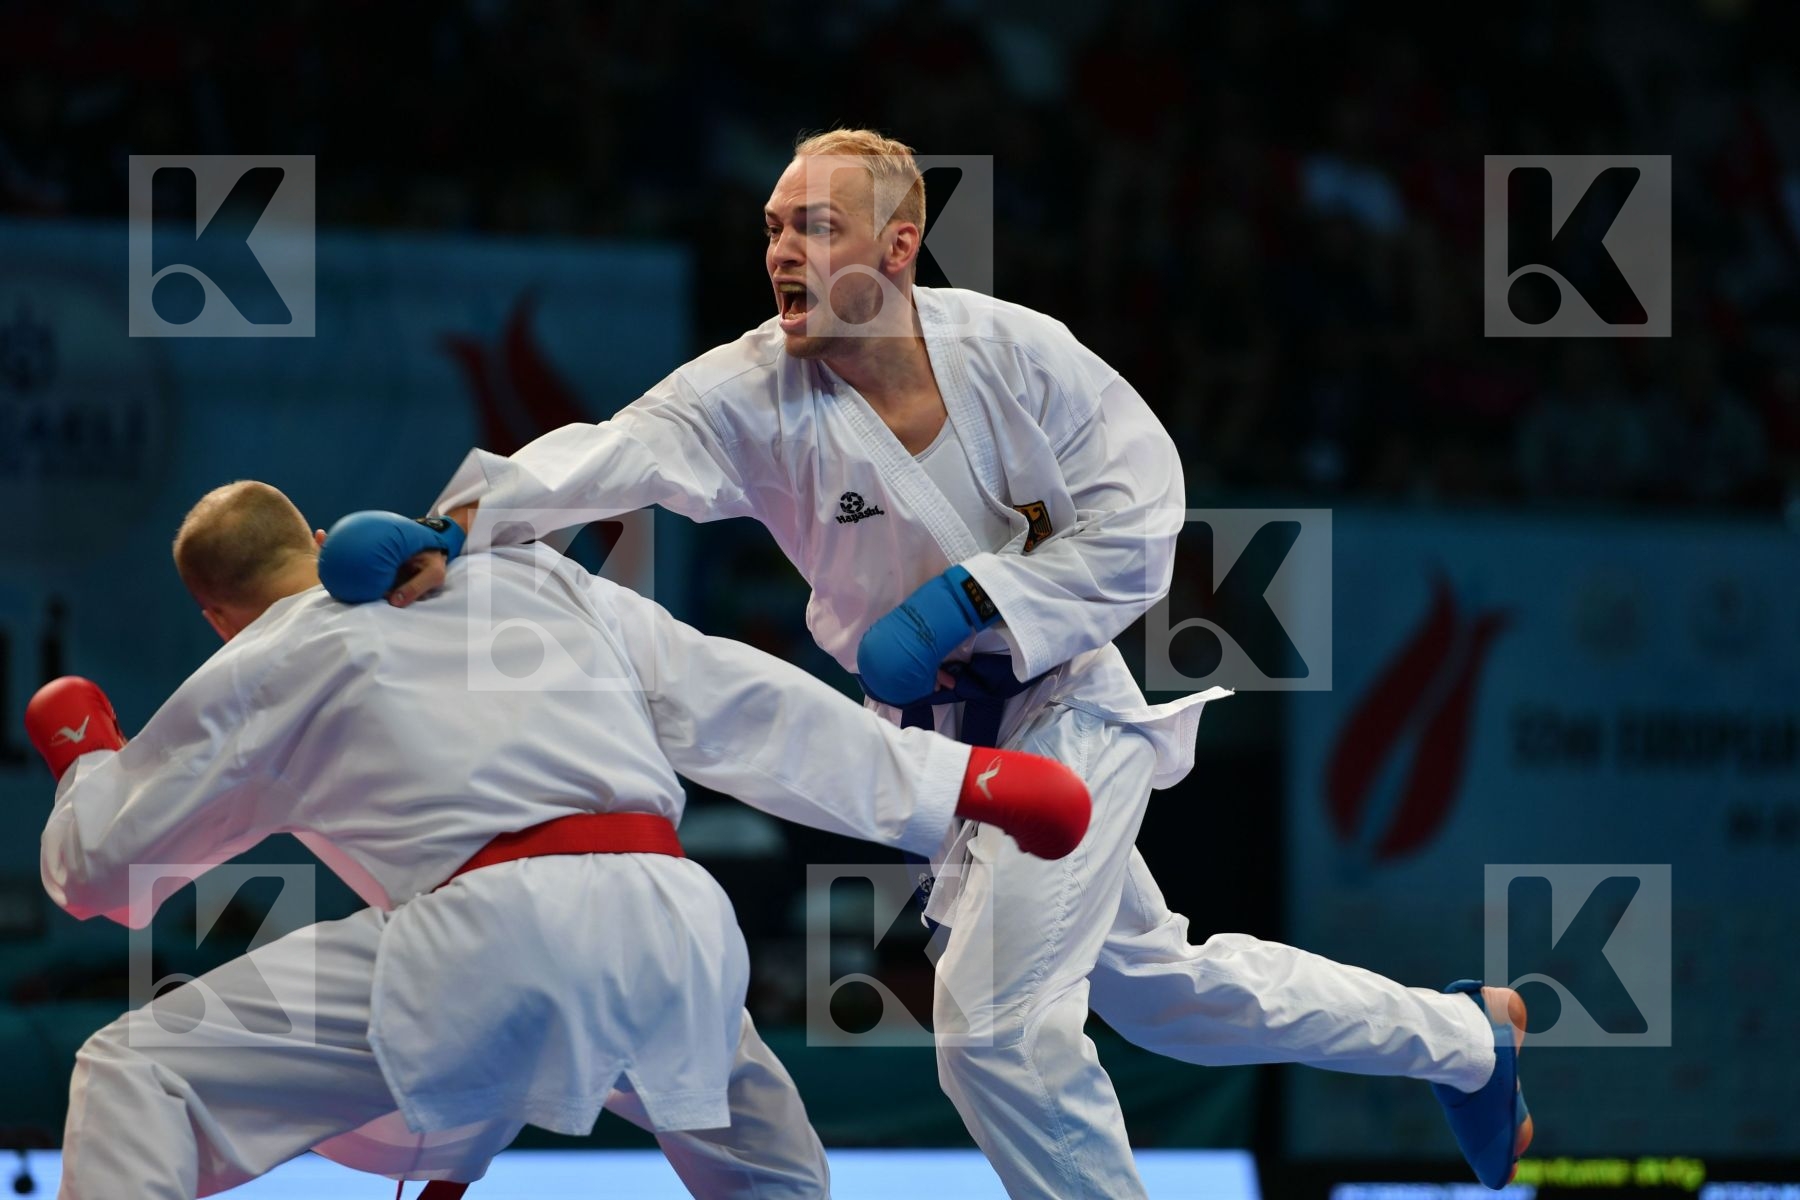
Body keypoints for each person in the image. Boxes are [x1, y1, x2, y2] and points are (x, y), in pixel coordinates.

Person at [325, 129, 1533, 1194]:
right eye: (772, 227)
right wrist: (455, 528)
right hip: (944, 754)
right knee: (1166, 993)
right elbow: (609, 453)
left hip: (1067, 709)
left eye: (814, 225)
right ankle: (1466, 1040)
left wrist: (974, 599)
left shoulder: (1019, 355)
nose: (780, 251)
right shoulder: (749, 390)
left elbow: (1145, 518)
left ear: (899, 246)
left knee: (994, 1033)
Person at [25, 480, 1091, 1200]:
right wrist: (956, 781)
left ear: (217, 616)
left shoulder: (259, 662)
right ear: (310, 539)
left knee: (137, 1073)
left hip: (490, 945)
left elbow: (100, 874)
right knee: (771, 1174)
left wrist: (86, 756)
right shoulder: (519, 573)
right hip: (673, 920)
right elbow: (732, 698)